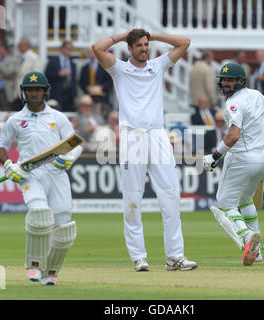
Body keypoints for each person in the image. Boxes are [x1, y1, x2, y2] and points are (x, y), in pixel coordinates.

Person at [92, 28, 197, 272]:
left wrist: (156, 37)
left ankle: (175, 257)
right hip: (132, 137)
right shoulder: (119, 69)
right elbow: (96, 48)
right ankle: (139, 256)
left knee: (170, 196)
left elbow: (185, 42)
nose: (144, 49)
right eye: (139, 45)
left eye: (146, 44)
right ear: (130, 48)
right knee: (132, 199)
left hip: (158, 135)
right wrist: (122, 35)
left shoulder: (158, 65)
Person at [0, 71, 83, 285]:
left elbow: (74, 143)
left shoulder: (58, 117)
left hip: (57, 174)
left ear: (45, 91)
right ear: (24, 92)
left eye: (38, 89)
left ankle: (50, 271)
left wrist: (68, 159)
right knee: (40, 214)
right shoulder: (15, 120)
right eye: (30, 90)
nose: (34, 94)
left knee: (64, 226)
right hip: (29, 174)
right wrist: (8, 165)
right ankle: (34, 265)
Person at [203, 61, 264, 266]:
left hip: (241, 158)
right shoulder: (256, 95)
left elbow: (233, 135)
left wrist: (214, 157)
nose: (227, 84)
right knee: (245, 200)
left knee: (225, 204)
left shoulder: (232, 104)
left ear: (240, 81)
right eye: (224, 80)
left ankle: (247, 238)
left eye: (231, 80)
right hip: (262, 158)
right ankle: (259, 249)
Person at [45, 41, 77, 111]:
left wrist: (75, 96)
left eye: (71, 48)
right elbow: (46, 75)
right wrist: (58, 74)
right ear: (62, 48)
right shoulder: (53, 61)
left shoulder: (72, 64)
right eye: (67, 48)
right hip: (56, 93)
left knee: (68, 114)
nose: (69, 50)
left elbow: (74, 81)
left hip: (69, 94)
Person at [0, 43, 18, 110]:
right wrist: (3, 76)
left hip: (6, 92)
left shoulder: (12, 61)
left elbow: (8, 73)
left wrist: (0, 63)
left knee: (6, 110)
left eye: (1, 51)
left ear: (6, 51)